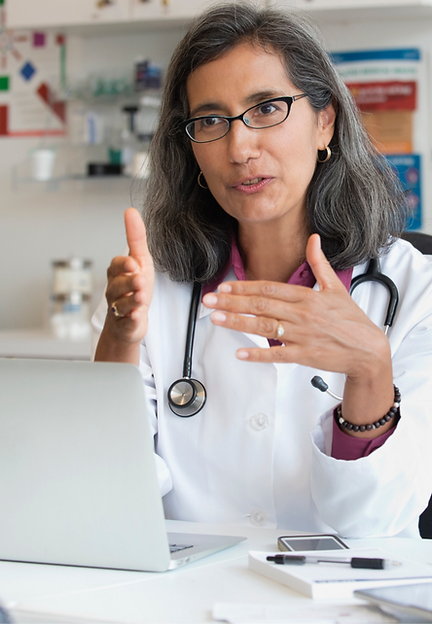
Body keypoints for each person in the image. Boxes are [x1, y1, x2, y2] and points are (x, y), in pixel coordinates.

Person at [92, 2, 432, 538]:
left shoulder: (417, 290)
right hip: (186, 601)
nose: (239, 146)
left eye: (267, 108)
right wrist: (117, 340)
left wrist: (370, 372)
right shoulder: (151, 290)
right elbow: (105, 494)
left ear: (325, 122)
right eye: (210, 120)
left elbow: (378, 520)